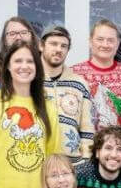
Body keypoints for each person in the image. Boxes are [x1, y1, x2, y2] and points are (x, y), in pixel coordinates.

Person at [0, 40, 60, 188]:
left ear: (37, 67)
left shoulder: (48, 107)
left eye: (30, 61)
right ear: (8, 66)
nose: (24, 66)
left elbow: (53, 156)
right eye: (18, 61)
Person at [71, 18, 121, 131]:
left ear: (118, 44)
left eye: (110, 40)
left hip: (120, 146)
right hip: (85, 145)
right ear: (90, 42)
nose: (105, 44)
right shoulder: (74, 74)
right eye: (100, 39)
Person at [39, 25, 95, 163]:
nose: (59, 49)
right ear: (41, 46)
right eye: (53, 44)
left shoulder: (79, 83)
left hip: (71, 165)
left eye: (64, 46)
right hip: (36, 162)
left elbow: (87, 127)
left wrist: (86, 161)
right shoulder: (30, 80)